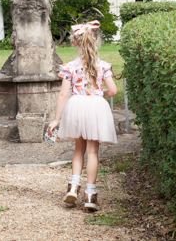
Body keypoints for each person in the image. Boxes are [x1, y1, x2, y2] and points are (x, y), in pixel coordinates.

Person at [47, 20, 118, 211]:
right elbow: (113, 91)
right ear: (97, 42)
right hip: (95, 108)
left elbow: (63, 94)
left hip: (76, 107)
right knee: (92, 152)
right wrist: (98, 93)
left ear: (74, 43)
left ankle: (73, 186)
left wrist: (56, 119)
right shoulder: (103, 66)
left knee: (79, 149)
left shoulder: (69, 67)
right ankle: (90, 194)